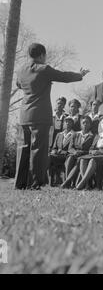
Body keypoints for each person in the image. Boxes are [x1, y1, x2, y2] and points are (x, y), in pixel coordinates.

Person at [15, 43, 89, 190]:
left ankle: (20, 183)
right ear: (42, 55)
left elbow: (19, 84)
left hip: (24, 115)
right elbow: (63, 76)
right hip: (40, 115)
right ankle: (35, 184)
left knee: (23, 149)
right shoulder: (44, 69)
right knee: (38, 149)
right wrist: (80, 75)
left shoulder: (21, 70)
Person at [75, 117, 103, 190]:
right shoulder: (98, 135)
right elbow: (91, 147)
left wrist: (100, 151)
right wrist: (92, 151)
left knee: (92, 160)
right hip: (95, 154)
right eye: (102, 123)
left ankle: (81, 183)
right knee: (83, 159)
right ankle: (87, 185)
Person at [60, 116, 95, 189]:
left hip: (85, 156)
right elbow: (70, 148)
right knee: (70, 158)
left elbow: (92, 148)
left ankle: (67, 182)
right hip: (74, 154)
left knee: (79, 161)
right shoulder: (75, 134)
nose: (85, 124)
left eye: (87, 123)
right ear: (80, 125)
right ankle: (68, 181)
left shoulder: (92, 136)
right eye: (83, 123)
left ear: (90, 125)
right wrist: (75, 152)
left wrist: (82, 152)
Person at [48, 116, 75, 186]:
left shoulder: (74, 134)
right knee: (48, 157)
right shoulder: (59, 134)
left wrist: (62, 152)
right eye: (66, 122)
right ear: (63, 124)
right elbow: (54, 147)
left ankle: (65, 182)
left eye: (70, 122)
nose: (67, 123)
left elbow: (72, 148)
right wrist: (54, 151)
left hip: (67, 156)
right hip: (57, 155)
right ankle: (50, 182)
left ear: (72, 124)